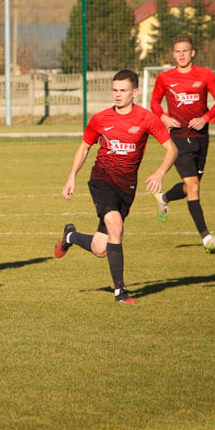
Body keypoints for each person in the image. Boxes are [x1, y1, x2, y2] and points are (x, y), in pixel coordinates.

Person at [56, 70, 178, 304]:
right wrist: (72, 176)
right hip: (102, 180)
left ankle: (70, 236)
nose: (118, 94)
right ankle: (120, 291)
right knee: (116, 226)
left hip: (127, 188)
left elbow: (172, 149)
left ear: (135, 92)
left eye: (123, 90)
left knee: (101, 247)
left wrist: (160, 171)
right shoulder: (101, 118)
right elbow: (84, 147)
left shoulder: (147, 118)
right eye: (115, 90)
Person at [150, 35, 215, 253]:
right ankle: (206, 238)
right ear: (173, 54)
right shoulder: (165, 78)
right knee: (193, 187)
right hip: (178, 139)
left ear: (192, 52)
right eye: (177, 51)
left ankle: (163, 197)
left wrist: (205, 118)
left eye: (185, 50)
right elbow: (154, 102)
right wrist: (163, 117)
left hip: (202, 138)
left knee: (190, 187)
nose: (181, 54)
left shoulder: (205, 74)